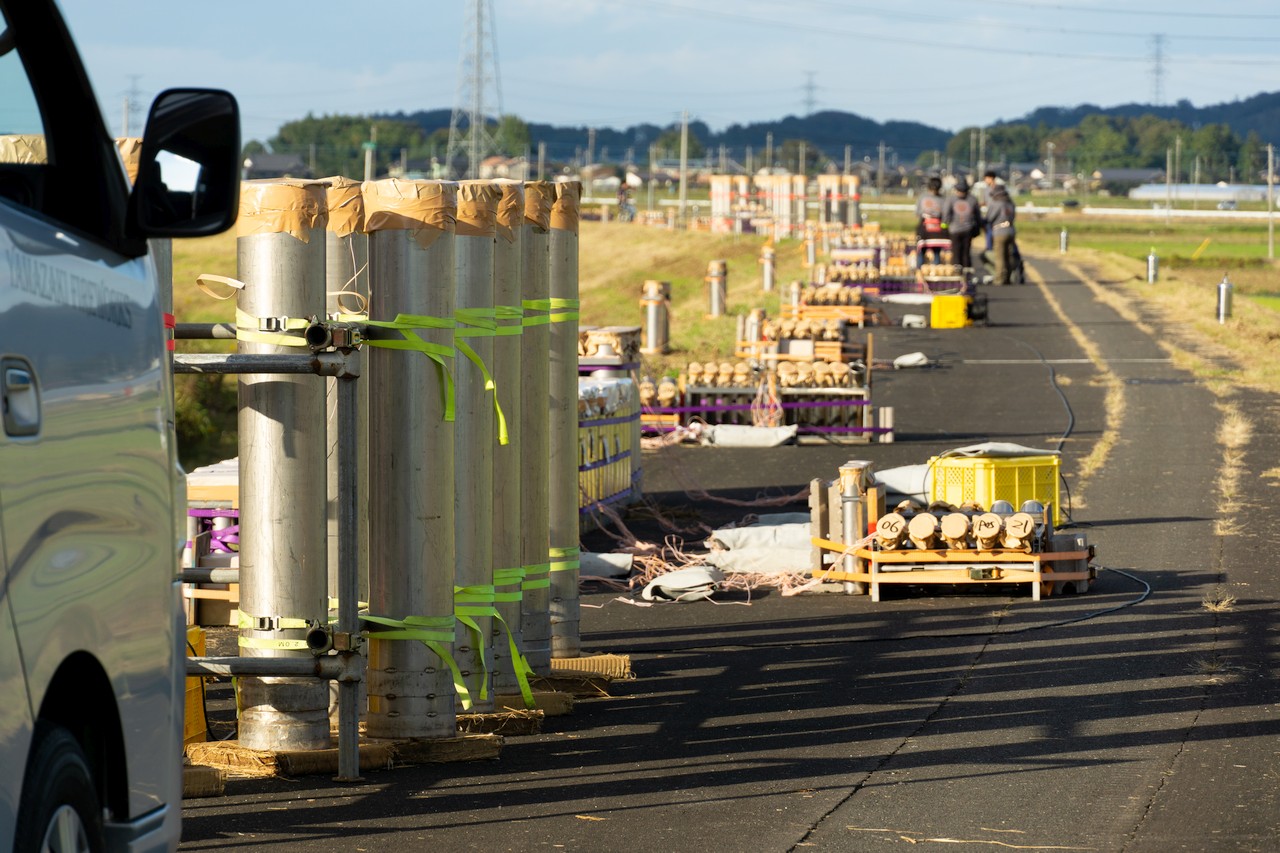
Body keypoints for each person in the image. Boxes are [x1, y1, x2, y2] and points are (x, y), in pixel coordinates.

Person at [943, 178, 981, 270]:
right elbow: (978, 216)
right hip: (965, 229)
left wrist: (945, 226)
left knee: (958, 252)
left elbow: (946, 214)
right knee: (965, 252)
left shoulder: (951, 199)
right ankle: (965, 271)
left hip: (957, 229)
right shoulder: (972, 199)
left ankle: (960, 272)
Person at [985, 183, 1017, 285]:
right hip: (1011, 230)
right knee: (1009, 255)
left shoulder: (996, 203)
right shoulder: (1010, 203)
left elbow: (989, 218)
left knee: (999, 256)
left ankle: (999, 279)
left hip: (999, 231)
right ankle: (1009, 277)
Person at [915, 176, 946, 263]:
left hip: (937, 227)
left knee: (936, 250)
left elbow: (945, 214)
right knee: (921, 250)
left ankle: (936, 270)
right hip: (924, 225)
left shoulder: (943, 199)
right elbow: (917, 212)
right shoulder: (923, 197)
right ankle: (920, 270)